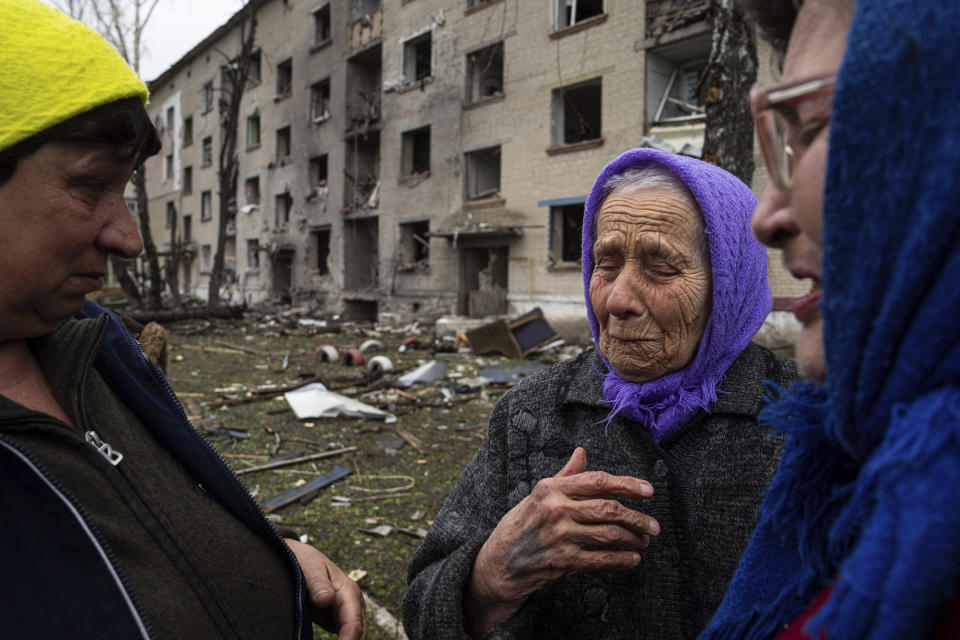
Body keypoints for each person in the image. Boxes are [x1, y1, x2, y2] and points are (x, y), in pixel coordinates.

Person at [0, 1, 365, 638]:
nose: (128, 238)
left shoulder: (94, 344)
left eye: (127, 191)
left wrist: (268, 562)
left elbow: (125, 531)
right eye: (91, 187)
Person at [403, 148, 798, 640]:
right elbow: (422, 611)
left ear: (730, 282)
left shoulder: (809, 420)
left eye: (661, 268)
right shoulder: (533, 413)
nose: (617, 300)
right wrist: (491, 573)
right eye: (606, 263)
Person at [699, 0, 960, 638]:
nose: (767, 218)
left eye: (809, 130)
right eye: (602, 258)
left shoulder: (779, 418)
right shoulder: (837, 460)